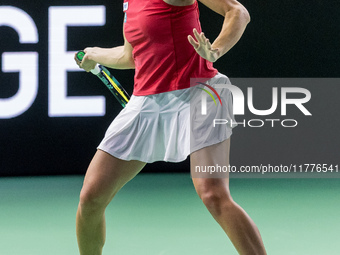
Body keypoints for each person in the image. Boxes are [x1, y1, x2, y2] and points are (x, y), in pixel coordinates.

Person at [75, 0, 267, 254]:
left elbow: (238, 12)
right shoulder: (130, 3)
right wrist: (94, 55)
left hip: (199, 93)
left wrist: (215, 50)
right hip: (146, 102)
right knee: (91, 198)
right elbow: (129, 55)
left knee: (213, 194)